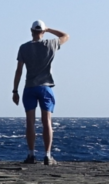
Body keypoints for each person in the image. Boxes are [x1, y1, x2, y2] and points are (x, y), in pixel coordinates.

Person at [12, 20, 69, 165]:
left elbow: (19, 71)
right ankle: (47, 155)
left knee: (30, 122)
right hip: (45, 87)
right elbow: (65, 36)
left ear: (31, 31)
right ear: (42, 32)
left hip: (29, 87)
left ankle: (31, 155)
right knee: (47, 122)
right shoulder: (50, 44)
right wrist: (49, 29)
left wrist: (15, 90)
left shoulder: (23, 48)